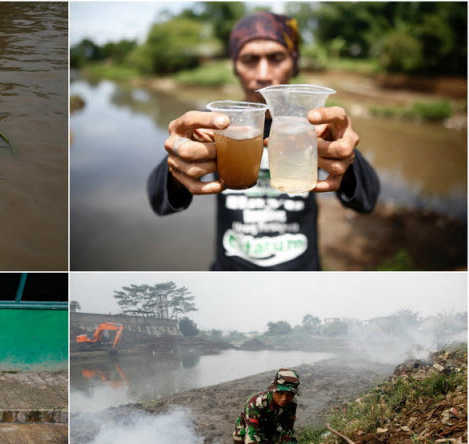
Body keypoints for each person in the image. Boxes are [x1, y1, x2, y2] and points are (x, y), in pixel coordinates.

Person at [148, 12, 380, 270]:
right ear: (235, 65)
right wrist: (177, 167)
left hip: (300, 273)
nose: (263, 73)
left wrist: (345, 160)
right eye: (249, 60)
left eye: (276, 58)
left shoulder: (314, 126)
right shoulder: (218, 125)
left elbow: (367, 201)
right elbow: (159, 203)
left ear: (293, 63)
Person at [233, 368, 300, 444]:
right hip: (246, 430)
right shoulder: (256, 402)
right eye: (280, 393)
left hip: (269, 430)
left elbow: (287, 430)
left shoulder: (292, 404)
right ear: (274, 390)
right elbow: (252, 435)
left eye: (289, 394)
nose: (284, 398)